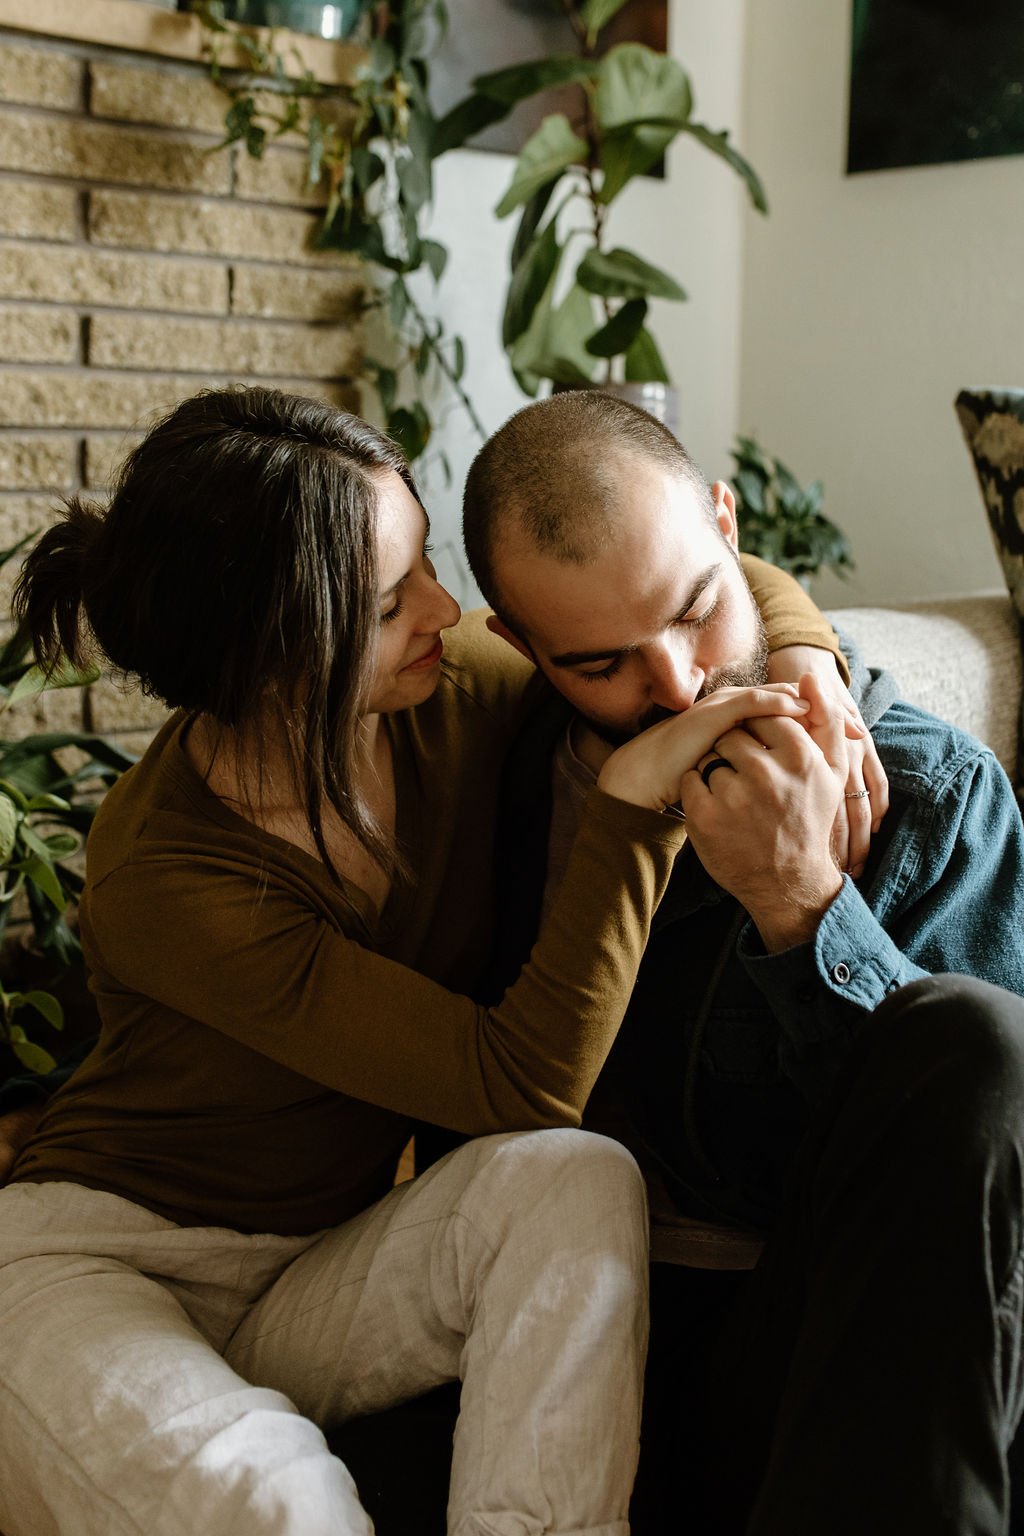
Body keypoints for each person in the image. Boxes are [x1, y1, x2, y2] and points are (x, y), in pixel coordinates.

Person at [0, 385, 851, 1536]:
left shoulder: (445, 695)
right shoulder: (168, 873)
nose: (445, 612)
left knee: (575, 1175)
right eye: (396, 600)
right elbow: (520, 1082)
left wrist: (810, 665)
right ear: (276, 662)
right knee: (274, 1506)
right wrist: (635, 813)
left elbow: (695, 581)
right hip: (101, 1269)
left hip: (320, 1264)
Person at [461, 389, 1024, 1536]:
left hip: (842, 1322)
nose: (672, 684)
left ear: (729, 526)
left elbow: (976, 1183)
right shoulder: (491, 769)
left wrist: (800, 908)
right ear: (518, 646)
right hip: (577, 1328)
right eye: (601, 661)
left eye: (696, 612)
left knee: (973, 1039)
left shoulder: (926, 793)